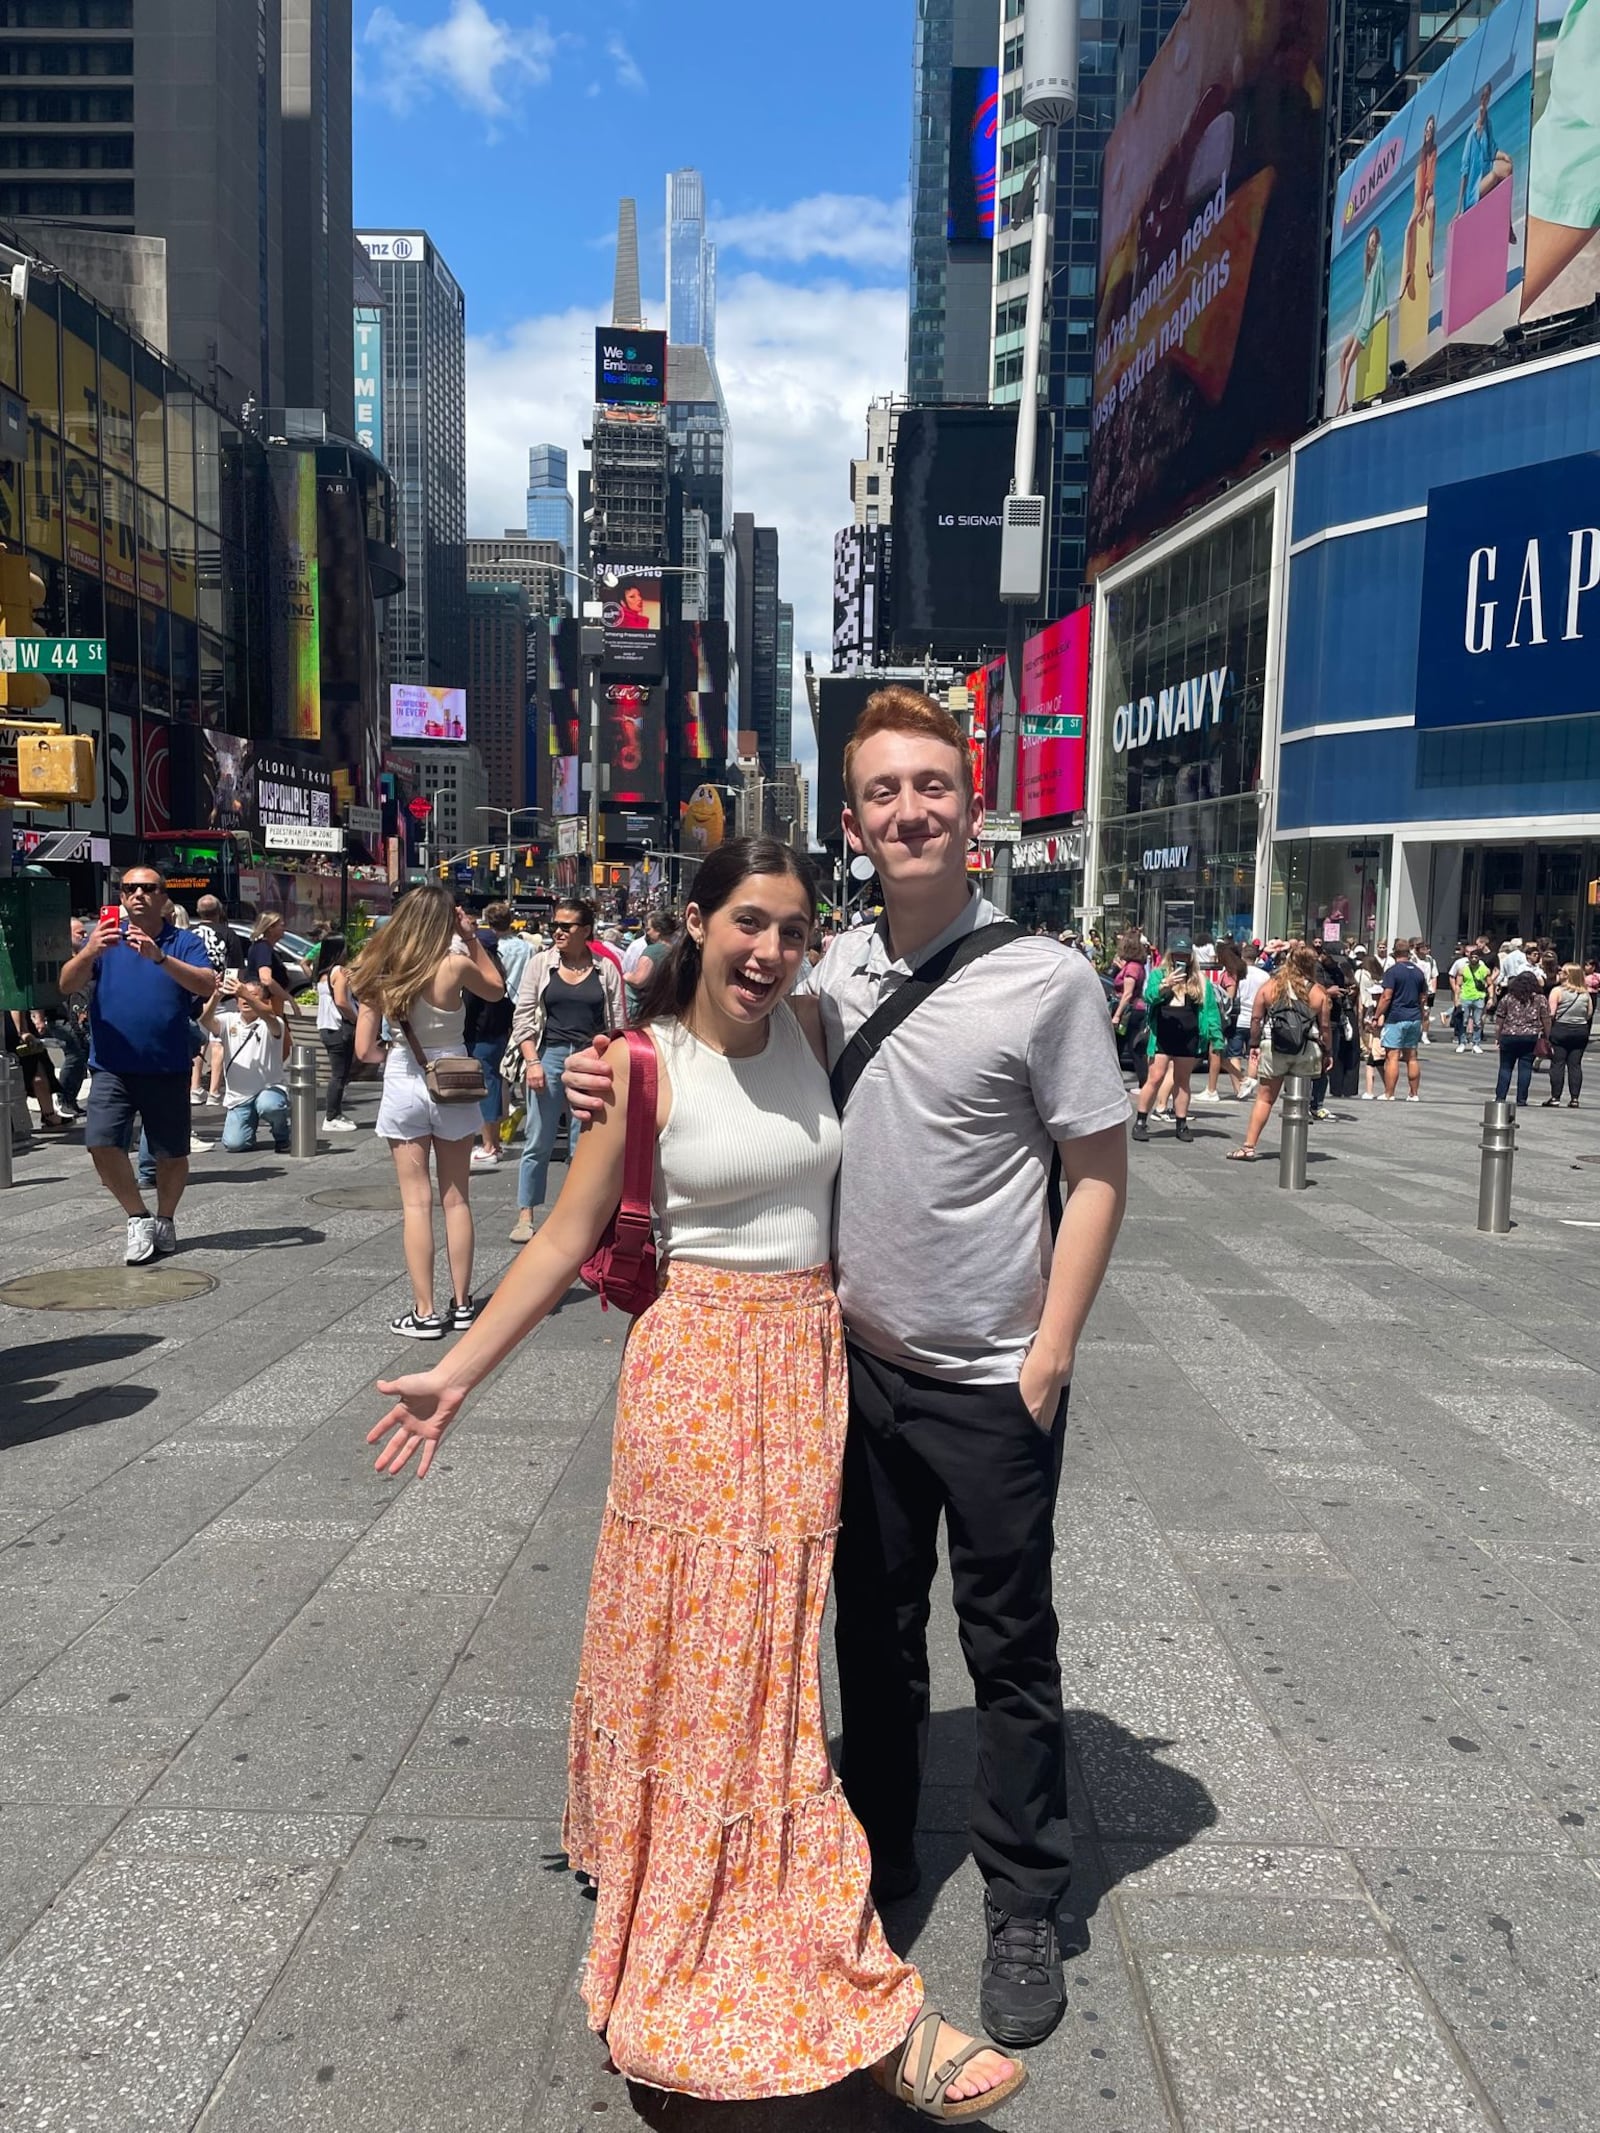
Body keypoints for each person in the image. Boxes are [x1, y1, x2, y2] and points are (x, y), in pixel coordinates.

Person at [368, 836, 1028, 2119]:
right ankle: (799, 1949)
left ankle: (652, 1832)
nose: (769, 952)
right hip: (696, 1370)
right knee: (731, 1652)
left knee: (761, 1641)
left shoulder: (822, 1022)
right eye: (747, 924)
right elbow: (566, 1229)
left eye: (790, 929)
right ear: (694, 921)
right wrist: (460, 1368)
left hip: (806, 1367)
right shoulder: (637, 1061)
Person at [565, 686, 1129, 2050]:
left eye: (933, 784)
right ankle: (871, 1857)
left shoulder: (1045, 978)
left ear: (972, 802)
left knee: (1007, 1647)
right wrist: (611, 1075)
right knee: (869, 1644)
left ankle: (1025, 1899)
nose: (910, 810)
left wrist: (1048, 1356)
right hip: (854, 1372)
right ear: (857, 818)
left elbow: (1098, 1171)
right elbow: (718, 1034)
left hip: (992, 1379)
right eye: (884, 791)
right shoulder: (836, 975)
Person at [351, 887, 505, 1339]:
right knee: (456, 1199)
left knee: (416, 1204)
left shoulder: (379, 967)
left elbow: (363, 1048)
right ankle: (462, 1304)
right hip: (453, 1078)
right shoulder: (455, 962)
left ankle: (424, 1312)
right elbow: (495, 990)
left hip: (404, 1077)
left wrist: (397, 1053)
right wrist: (471, 937)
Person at [56, 863, 217, 1263]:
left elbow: (205, 984)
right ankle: (137, 1216)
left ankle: (165, 1217)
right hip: (112, 1065)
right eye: (129, 889)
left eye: (148, 888)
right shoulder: (104, 940)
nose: (137, 894)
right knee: (100, 1143)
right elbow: (66, 984)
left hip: (167, 1065)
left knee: (171, 1153)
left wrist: (160, 957)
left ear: (164, 897)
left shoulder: (183, 941)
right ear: (122, 897)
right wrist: (90, 950)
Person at [506, 897, 624, 1245]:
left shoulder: (606, 969)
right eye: (554, 925)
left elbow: (618, 1022)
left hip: (591, 1059)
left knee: (583, 1144)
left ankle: (575, 1215)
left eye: (565, 926)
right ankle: (526, 1214)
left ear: (585, 931)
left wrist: (613, 1058)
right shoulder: (541, 964)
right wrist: (532, 1061)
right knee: (538, 1140)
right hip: (549, 1055)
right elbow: (523, 1016)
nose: (557, 931)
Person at [1227, 942, 1332, 1160]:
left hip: (1274, 1047)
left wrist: (1254, 1045)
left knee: (1265, 1099)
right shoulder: (1318, 992)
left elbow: (1256, 1019)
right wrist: (1327, 1052)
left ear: (1288, 962)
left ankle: (1249, 1146)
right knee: (1300, 1099)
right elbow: (1324, 1028)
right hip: (1306, 1049)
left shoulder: (1270, 987)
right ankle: (1296, 1149)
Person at [1129, 945, 1219, 1144]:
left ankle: (1181, 1124)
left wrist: (1217, 1038)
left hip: (1189, 1036)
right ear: (1171, 955)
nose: (1181, 958)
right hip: (1163, 1033)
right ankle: (1141, 1121)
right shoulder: (1159, 974)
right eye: (1177, 954)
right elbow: (1149, 997)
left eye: (1185, 955)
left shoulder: (1200, 980)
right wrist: (1165, 984)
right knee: (1155, 1077)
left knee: (1182, 1080)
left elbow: (1210, 1010)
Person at [206, 977, 292, 1153]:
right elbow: (206, 1020)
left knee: (269, 1106)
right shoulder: (227, 1020)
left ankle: (283, 1135)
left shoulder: (272, 1023)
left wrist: (245, 992)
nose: (245, 999)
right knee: (234, 1144)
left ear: (264, 1001)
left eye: (253, 995)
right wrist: (215, 996)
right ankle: (248, 1128)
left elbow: (269, 1016)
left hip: (269, 1089)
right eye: (241, 996)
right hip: (239, 1096)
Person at [464, 923, 513, 1170]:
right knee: (493, 1085)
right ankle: (494, 1143)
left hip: (480, 1037)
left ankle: (489, 1146)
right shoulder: (498, 971)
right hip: (496, 1037)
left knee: (486, 1090)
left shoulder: (477, 974)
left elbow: (468, 1007)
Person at [1337, 224, 1388, 413]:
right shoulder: (1369, 268)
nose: (1372, 245)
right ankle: (1344, 401)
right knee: (1342, 357)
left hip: (1365, 324)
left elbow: (1382, 283)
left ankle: (1340, 406)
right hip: (1359, 321)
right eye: (1370, 242)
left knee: (1349, 362)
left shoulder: (1380, 257)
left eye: (1374, 241)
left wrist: (1385, 307)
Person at [313, 936, 359, 1132]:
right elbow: (341, 1001)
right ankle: (331, 1116)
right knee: (339, 1074)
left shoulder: (322, 975)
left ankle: (336, 1112)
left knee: (339, 1073)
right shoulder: (338, 972)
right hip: (339, 1027)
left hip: (326, 1027)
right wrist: (356, 1019)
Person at [1376, 938, 1428, 1100]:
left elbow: (1386, 996)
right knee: (1411, 1056)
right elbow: (1423, 997)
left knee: (1392, 1056)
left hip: (1396, 1017)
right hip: (1414, 1017)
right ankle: (1413, 1094)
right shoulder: (1419, 972)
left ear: (1395, 953)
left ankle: (1389, 1093)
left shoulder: (1392, 972)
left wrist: (1377, 1015)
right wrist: (1419, 1014)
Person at [1494, 966, 1549, 1110]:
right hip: (1530, 1036)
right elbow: (1546, 1019)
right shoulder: (1540, 999)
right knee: (1525, 1068)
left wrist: (1498, 1037)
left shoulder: (1508, 998)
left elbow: (1499, 1019)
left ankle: (1500, 1096)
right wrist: (1547, 1036)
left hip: (1509, 1035)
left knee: (1505, 1067)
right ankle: (1521, 1098)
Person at [1459, 80, 1513, 216]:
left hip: (1486, 172)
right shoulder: (1472, 136)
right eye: (1483, 97)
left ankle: (1506, 217)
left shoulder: (1488, 125)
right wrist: (1459, 208)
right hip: (1474, 189)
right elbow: (1464, 172)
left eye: (1487, 96)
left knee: (1508, 167)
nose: (1484, 101)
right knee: (1495, 176)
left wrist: (1504, 156)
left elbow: (1492, 151)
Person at [1545, 962, 1593, 1107]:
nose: (1559, 973)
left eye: (1562, 972)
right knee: (1575, 1065)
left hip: (1561, 1029)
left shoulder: (1557, 991)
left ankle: (1555, 1097)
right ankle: (1574, 1099)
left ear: (1568, 975)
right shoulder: (1585, 994)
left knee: (1558, 1064)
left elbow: (1551, 1013)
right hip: (1580, 1030)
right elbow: (1589, 1013)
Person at [1402, 111, 1438, 300]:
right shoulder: (1421, 153)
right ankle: (1407, 272)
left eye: (1432, 128)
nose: (1429, 131)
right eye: (1427, 127)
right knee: (1408, 230)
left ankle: (1430, 261)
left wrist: (1424, 206)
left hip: (1427, 197)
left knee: (1432, 208)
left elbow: (1429, 181)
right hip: (1418, 201)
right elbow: (1418, 183)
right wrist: (1419, 207)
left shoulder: (1433, 151)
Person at [624, 908, 679, 1021]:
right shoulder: (677, 950)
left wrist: (627, 976)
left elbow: (639, 980)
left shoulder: (653, 951)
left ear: (658, 930)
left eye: (649, 929)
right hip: (669, 1008)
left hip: (645, 1010)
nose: (647, 933)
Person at [1451, 943, 1492, 1053]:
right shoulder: (1462, 969)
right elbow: (1458, 985)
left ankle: (1476, 1043)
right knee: (1463, 1021)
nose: (1474, 959)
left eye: (1476, 957)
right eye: (1472, 957)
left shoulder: (1484, 969)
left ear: (1479, 958)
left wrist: (1491, 997)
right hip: (1465, 997)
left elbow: (1490, 983)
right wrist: (1457, 998)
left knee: (1478, 1022)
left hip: (1479, 997)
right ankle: (1462, 1042)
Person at [1357, 952, 1386, 1097]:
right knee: (1379, 1065)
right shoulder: (1374, 1005)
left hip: (1378, 1040)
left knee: (1371, 1065)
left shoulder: (1379, 1008)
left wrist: (1370, 1024)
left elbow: (1380, 1023)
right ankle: (1388, 1089)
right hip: (1376, 1040)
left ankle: (1370, 1091)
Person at [1414, 940, 1438, 1043]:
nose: (1426, 951)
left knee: (1426, 1013)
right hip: (1416, 990)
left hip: (1428, 990)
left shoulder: (1431, 961)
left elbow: (1434, 976)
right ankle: (1415, 1034)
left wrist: (1433, 991)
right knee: (1415, 1013)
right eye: (1423, 949)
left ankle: (1425, 1035)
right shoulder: (1413, 960)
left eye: (1426, 948)